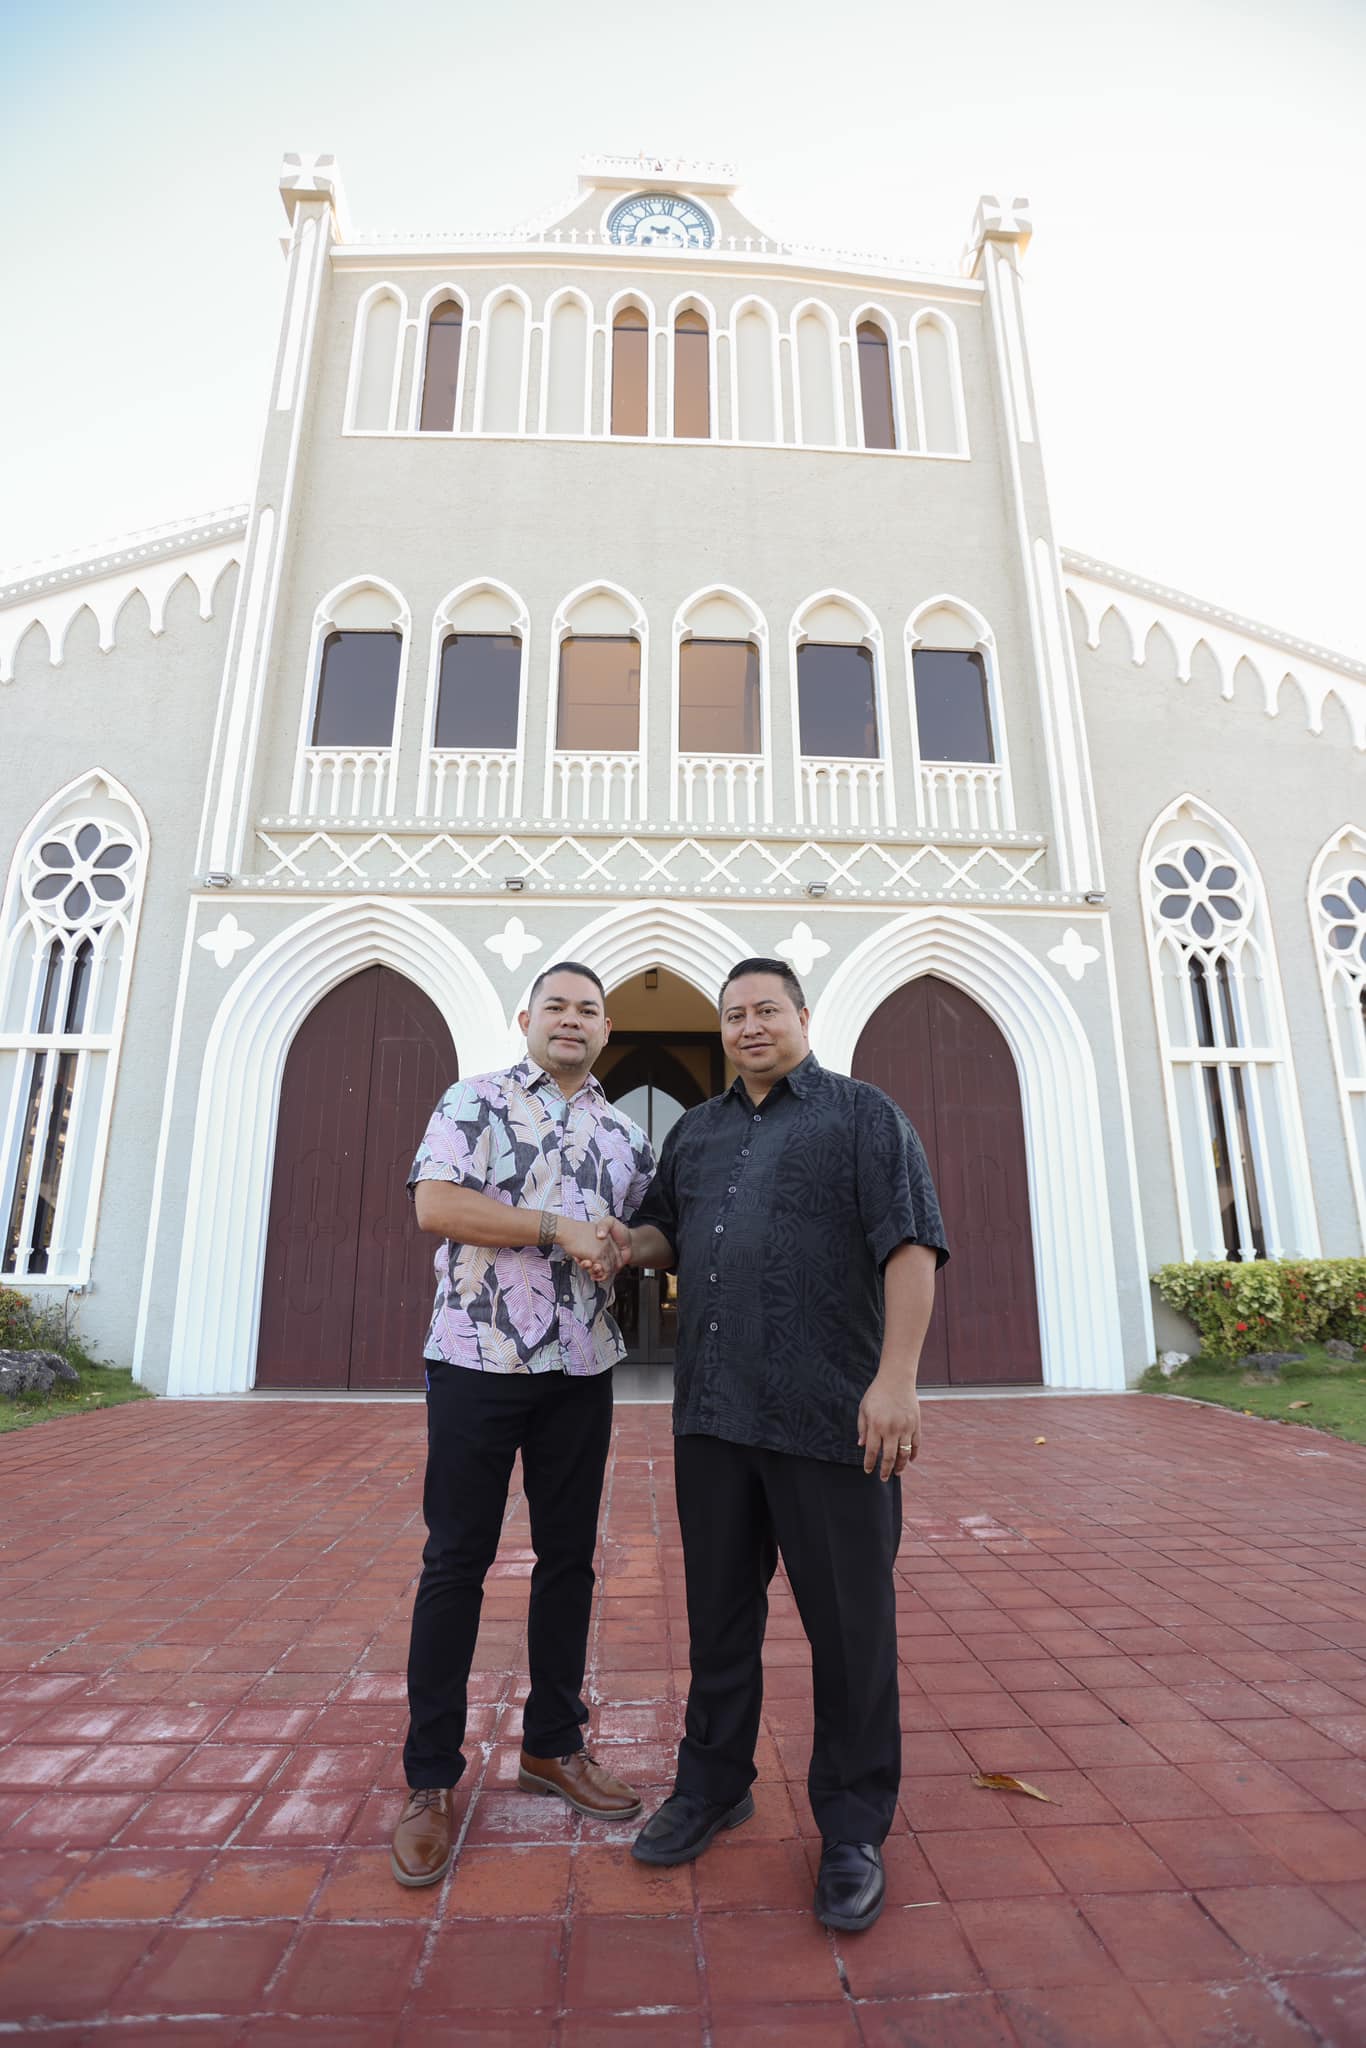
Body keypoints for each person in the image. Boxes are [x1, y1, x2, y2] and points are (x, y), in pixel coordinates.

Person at [599, 958, 947, 1933]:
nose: (750, 1026)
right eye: (734, 1014)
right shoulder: (701, 1131)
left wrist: (896, 1379)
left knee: (849, 1632)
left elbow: (911, 1243)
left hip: (832, 1418)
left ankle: (850, 1826)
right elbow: (667, 1230)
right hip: (712, 1414)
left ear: (801, 1015)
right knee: (716, 1621)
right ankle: (713, 1784)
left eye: (766, 1010)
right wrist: (626, 1243)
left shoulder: (863, 1115)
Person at [389, 961, 649, 1889]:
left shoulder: (625, 1132)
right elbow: (436, 1204)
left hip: (580, 1367)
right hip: (476, 1360)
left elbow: (651, 1230)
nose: (571, 1021)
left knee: (569, 1559)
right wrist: (555, 1229)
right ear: (526, 1017)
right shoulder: (476, 1099)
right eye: (557, 1007)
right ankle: (429, 1781)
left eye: (588, 1009)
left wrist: (628, 1242)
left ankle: (552, 1744)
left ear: (606, 1028)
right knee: (456, 1561)